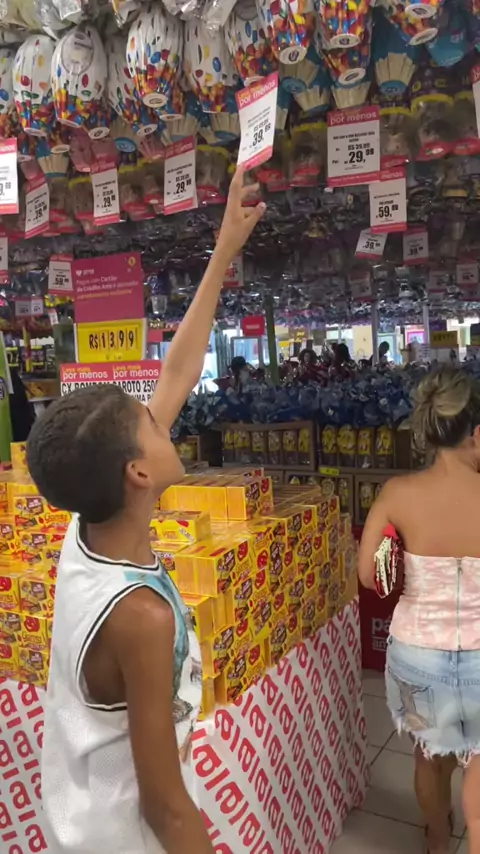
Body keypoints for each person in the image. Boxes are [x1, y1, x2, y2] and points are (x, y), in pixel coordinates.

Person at [26, 167, 266, 854]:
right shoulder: (141, 618)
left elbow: (175, 373)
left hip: (80, 822)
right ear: (138, 473)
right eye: (155, 426)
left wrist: (224, 249)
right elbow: (166, 809)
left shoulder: (87, 527)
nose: (169, 420)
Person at [358, 366, 480, 854]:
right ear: (476, 433)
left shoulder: (397, 494)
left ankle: (436, 837)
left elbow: (369, 575)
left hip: (416, 655)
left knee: (429, 760)